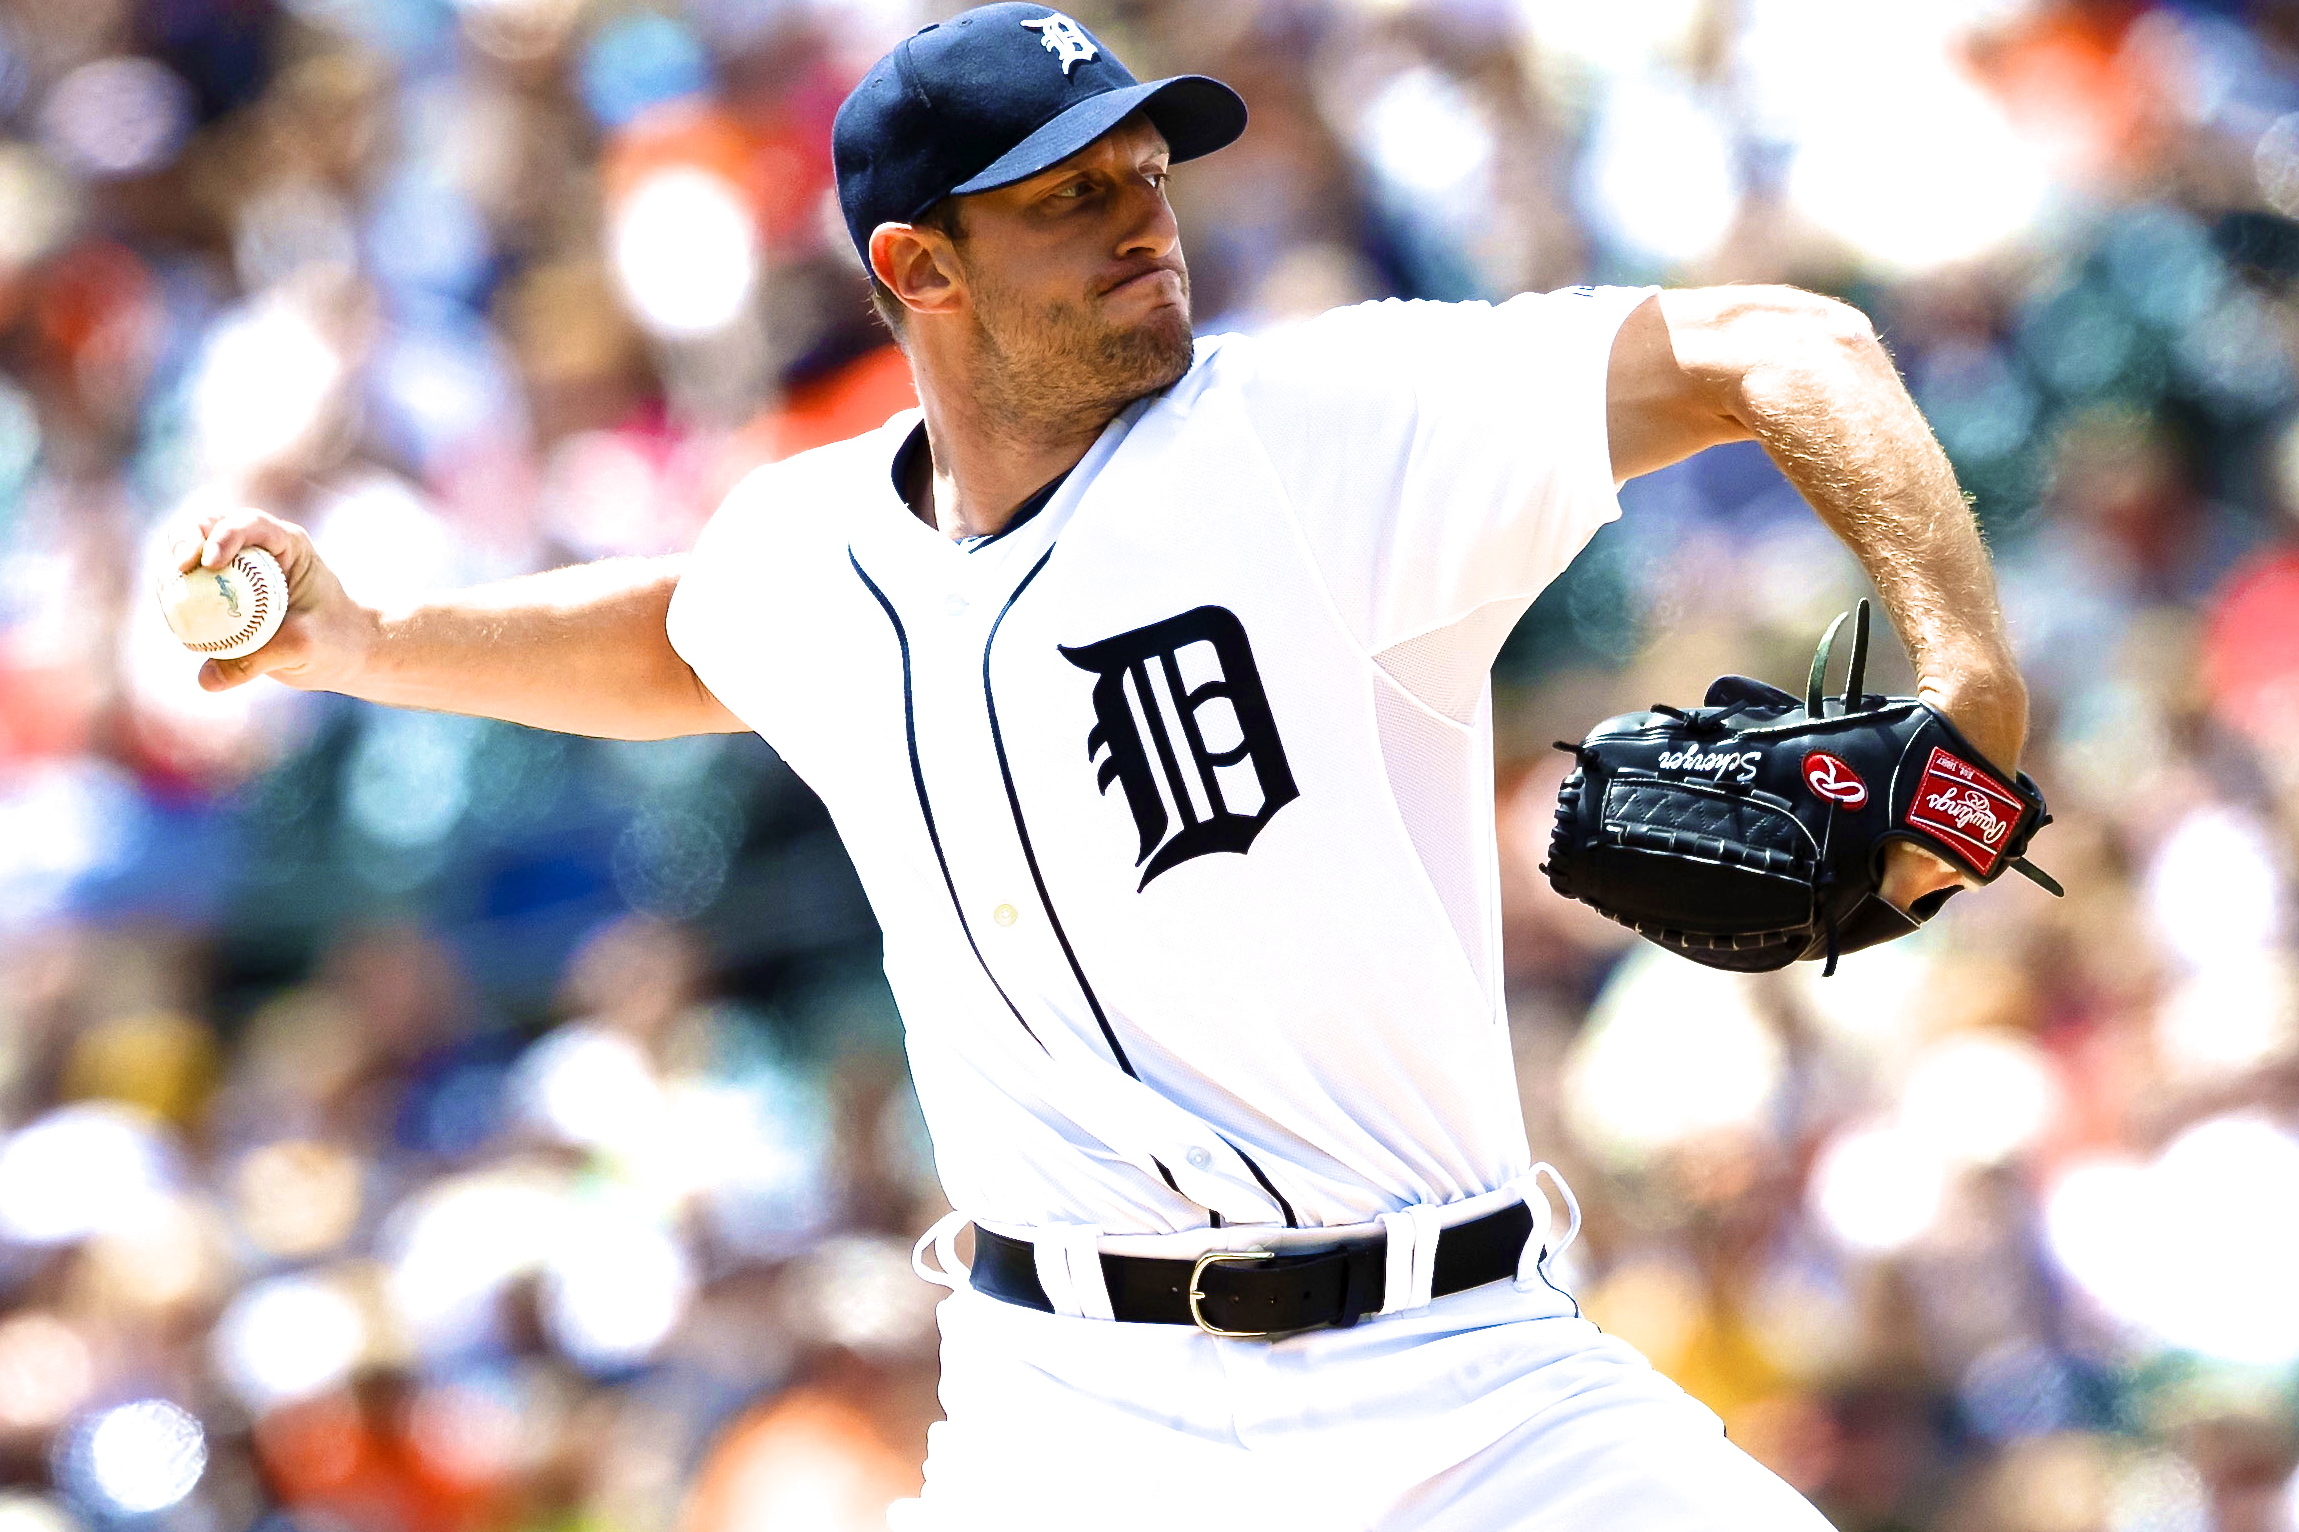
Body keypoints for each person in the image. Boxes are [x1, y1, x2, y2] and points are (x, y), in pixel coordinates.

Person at [171, 7, 2029, 1528]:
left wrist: (1967, 682)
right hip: (1071, 1424)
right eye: (1068, 197)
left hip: (1468, 1396)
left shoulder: (1317, 433)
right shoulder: (814, 547)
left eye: (1148, 173)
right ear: (919, 267)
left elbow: (1780, 345)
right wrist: (361, 640)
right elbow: (686, 633)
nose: (1146, 219)